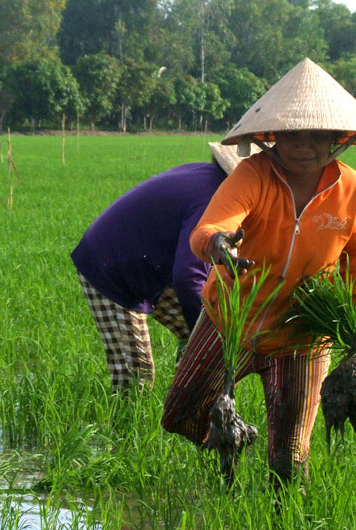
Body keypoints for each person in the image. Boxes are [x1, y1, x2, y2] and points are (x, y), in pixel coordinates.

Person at [160, 58, 356, 485]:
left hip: (302, 333)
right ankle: (233, 441)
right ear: (273, 137)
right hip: (232, 319)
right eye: (292, 134)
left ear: (335, 139)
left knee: (289, 457)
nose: (303, 145)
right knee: (180, 413)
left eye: (315, 136)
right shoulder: (253, 176)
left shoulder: (353, 191)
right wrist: (219, 245)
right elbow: (210, 228)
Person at [71, 143, 242, 394]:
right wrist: (206, 344)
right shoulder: (213, 198)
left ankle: (188, 398)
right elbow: (188, 277)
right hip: (109, 266)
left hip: (147, 264)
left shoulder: (209, 177)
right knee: (136, 373)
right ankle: (125, 427)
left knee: (204, 331)